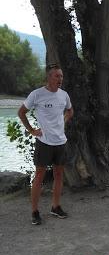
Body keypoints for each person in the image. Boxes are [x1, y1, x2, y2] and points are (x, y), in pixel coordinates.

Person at [18, 64, 73, 225]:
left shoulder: (64, 95)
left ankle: (55, 207)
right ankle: (35, 212)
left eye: (61, 76)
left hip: (61, 142)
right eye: (57, 76)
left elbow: (70, 110)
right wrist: (32, 130)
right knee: (39, 177)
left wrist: (64, 120)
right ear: (49, 77)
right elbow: (21, 112)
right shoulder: (37, 94)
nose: (60, 79)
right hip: (44, 143)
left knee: (58, 175)